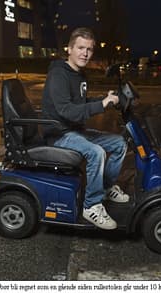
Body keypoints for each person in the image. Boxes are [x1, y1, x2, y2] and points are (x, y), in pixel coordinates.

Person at [41, 27, 129, 230]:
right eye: (80, 48)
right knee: (96, 152)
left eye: (89, 49)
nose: (85, 53)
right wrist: (100, 105)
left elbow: (81, 102)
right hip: (58, 133)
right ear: (69, 49)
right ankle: (91, 206)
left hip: (74, 131)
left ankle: (106, 187)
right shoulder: (59, 74)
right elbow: (67, 111)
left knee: (119, 143)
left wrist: (104, 100)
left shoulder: (79, 75)